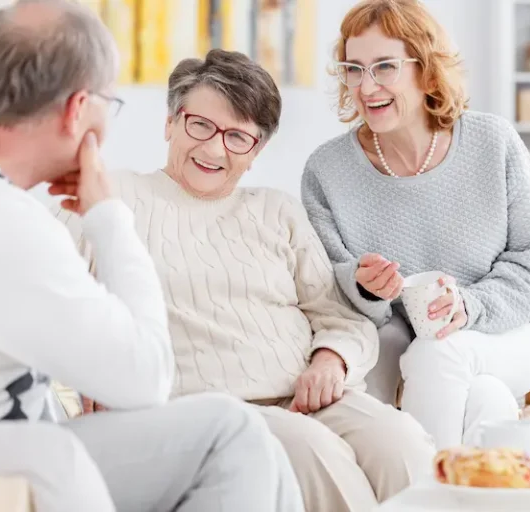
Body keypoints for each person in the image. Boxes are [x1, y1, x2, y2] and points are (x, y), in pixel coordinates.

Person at [54, 49, 435, 512]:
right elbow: (47, 297)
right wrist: (90, 371)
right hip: (206, 411)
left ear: (256, 152)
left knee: (403, 442)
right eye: (200, 126)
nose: (214, 149)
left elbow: (338, 315)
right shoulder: (113, 196)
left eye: (238, 137)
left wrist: (331, 360)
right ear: (170, 123)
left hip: (309, 393)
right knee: (310, 449)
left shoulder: (278, 212)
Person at [0, 2, 303, 511]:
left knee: (259, 451)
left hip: (15, 450)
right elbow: (147, 375)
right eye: (110, 103)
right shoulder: (0, 219)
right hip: (8, 464)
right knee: (231, 432)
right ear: (78, 110)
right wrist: (109, 218)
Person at [300, 0, 530, 450]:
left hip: (514, 331)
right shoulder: (326, 171)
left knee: (438, 352)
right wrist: (365, 288)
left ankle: (419, 495)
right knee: (488, 400)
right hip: (404, 340)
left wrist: (469, 307)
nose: (367, 86)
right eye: (354, 69)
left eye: (385, 67)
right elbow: (330, 290)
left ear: (425, 69)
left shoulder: (492, 142)